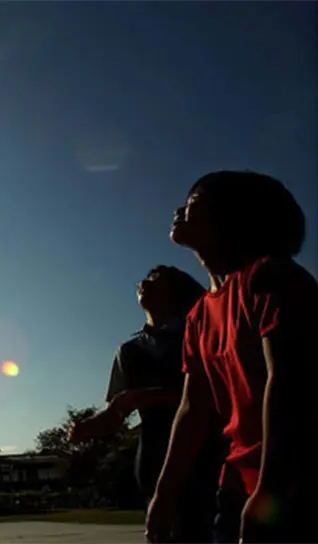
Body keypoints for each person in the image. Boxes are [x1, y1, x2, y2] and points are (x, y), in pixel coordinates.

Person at [146, 171, 317, 544]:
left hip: (294, 482)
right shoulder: (198, 316)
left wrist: (270, 491)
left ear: (235, 217)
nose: (179, 209)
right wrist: (165, 492)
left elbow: (288, 381)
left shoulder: (271, 278)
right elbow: (192, 410)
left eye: (194, 203)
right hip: (239, 481)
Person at [69, 265, 222, 541]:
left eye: (157, 279)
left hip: (201, 465)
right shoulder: (128, 351)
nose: (145, 282)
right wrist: (90, 426)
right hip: (152, 466)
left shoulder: (199, 333)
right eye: (145, 278)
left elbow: (210, 397)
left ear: (176, 292)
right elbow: (117, 413)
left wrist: (143, 397)